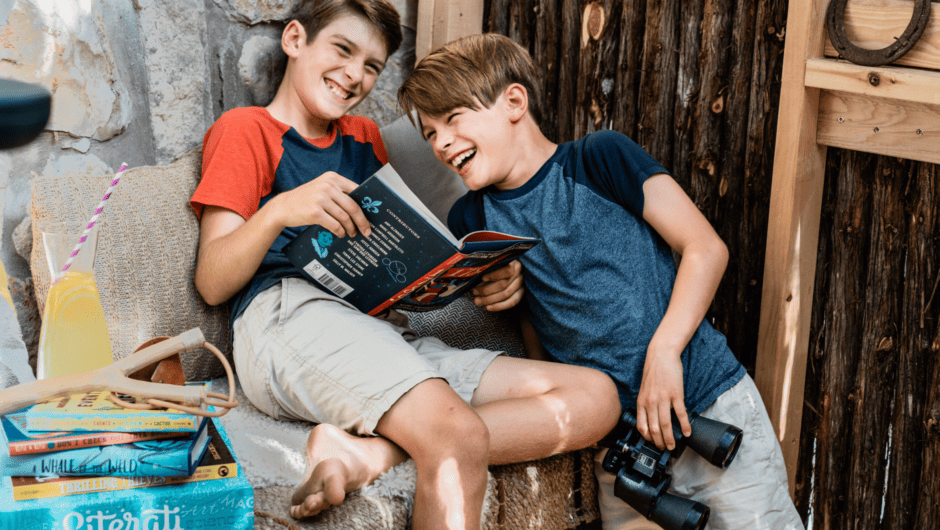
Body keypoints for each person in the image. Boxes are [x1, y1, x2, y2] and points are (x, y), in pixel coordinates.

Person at [189, 2, 621, 528]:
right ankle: (416, 438)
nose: (355, 75)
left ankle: (367, 453)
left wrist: (475, 277)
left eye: (372, 65)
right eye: (343, 50)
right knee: (455, 436)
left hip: (375, 329)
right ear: (295, 39)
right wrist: (280, 210)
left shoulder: (362, 137)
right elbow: (212, 282)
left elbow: (392, 250)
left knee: (594, 397)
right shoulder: (246, 129)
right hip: (287, 321)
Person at [397, 33, 805, 529]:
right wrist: (504, 296)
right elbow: (535, 330)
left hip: (706, 402)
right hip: (621, 451)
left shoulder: (599, 158)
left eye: (452, 119)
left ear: (513, 102)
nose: (440, 143)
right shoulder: (472, 218)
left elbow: (705, 248)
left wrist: (664, 353)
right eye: (429, 134)